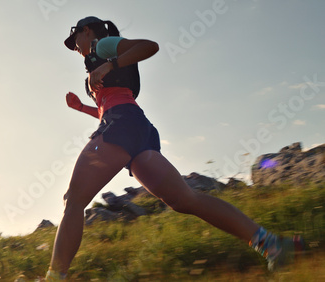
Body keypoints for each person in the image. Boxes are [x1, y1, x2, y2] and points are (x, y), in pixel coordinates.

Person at [45, 16, 304, 281]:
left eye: (75, 38)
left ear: (86, 31)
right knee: (185, 200)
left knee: (73, 200)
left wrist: (108, 66)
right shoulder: (98, 60)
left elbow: (150, 46)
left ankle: (55, 277)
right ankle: (272, 244)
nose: (75, 46)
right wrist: (81, 107)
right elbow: (109, 106)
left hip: (122, 125)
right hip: (135, 129)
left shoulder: (104, 46)